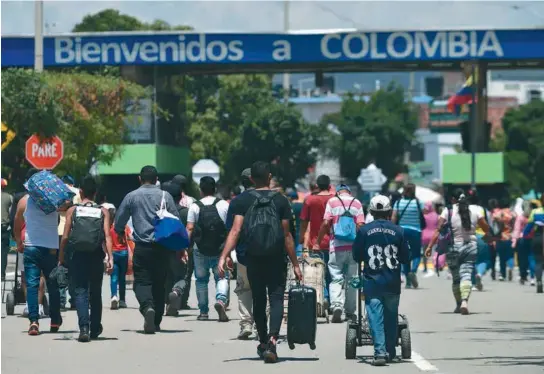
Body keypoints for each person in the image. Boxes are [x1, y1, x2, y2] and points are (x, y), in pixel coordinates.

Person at [218, 161, 302, 363]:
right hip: (276, 257)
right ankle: (273, 339)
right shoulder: (281, 201)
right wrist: (296, 264)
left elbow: (236, 230)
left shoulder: (241, 200)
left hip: (253, 257)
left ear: (251, 179)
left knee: (258, 299)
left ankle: (263, 341)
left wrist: (224, 255)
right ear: (270, 177)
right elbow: (287, 235)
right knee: (276, 298)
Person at [115, 165, 183, 334]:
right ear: (156, 179)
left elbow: (119, 221)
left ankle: (147, 308)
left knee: (142, 282)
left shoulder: (132, 196)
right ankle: (157, 320)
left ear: (140, 178)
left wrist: (119, 231)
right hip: (162, 247)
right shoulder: (165, 195)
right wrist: (180, 247)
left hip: (142, 247)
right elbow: (176, 220)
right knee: (159, 284)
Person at [352, 195, 410, 366]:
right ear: (389, 211)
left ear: (371, 211)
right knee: (391, 317)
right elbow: (406, 257)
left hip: (372, 281)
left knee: (375, 317)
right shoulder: (399, 231)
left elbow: (357, 255)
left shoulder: (364, 231)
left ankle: (380, 352)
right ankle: (390, 351)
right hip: (392, 282)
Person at [59, 176, 113, 342]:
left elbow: (66, 236)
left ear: (80, 192)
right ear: (95, 193)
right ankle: (95, 327)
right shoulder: (102, 211)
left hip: (77, 256)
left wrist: (61, 257)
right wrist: (110, 257)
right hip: (96, 255)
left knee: (80, 291)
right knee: (95, 292)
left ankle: (84, 328)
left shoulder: (73, 211)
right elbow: (107, 236)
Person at [425, 189, 492, 314]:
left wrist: (430, 247)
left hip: (453, 248)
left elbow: (438, 230)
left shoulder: (448, 211)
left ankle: (458, 304)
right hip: (471, 247)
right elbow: (486, 228)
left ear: (453, 199)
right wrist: (488, 237)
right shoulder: (476, 210)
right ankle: (465, 301)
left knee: (456, 278)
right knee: (466, 274)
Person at [13, 171, 63, 335]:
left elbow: (17, 223)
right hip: (50, 248)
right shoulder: (54, 201)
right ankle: (55, 320)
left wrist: (19, 242)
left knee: (32, 284)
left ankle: (34, 321)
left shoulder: (24, 201)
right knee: (53, 285)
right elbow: (56, 222)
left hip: (31, 247)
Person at [316, 184, 365, 323]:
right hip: (353, 247)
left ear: (337, 192)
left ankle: (336, 305)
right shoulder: (357, 202)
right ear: (349, 192)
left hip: (336, 246)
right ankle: (350, 312)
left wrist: (318, 241)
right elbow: (361, 225)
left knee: (336, 277)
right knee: (353, 279)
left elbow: (326, 223)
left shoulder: (332, 201)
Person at [186, 176, 230, 321]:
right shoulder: (224, 205)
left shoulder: (194, 206)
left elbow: (190, 228)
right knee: (221, 277)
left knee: (201, 280)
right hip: (220, 249)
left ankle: (203, 312)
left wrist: (185, 247)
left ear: (200, 189)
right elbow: (230, 229)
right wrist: (229, 251)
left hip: (200, 249)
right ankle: (221, 300)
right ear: (215, 189)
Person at [225, 168, 257, 339]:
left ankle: (246, 324)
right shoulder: (272, 198)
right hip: (268, 253)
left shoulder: (237, 201)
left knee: (244, 288)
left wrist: (227, 254)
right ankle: (262, 325)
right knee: (264, 289)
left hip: (244, 252)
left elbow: (232, 230)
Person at [300, 174, 333, 308]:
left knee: (319, 273)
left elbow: (304, 222)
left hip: (316, 243)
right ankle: (330, 300)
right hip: (333, 242)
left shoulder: (309, 200)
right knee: (332, 274)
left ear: (317, 186)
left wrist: (302, 238)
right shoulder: (334, 199)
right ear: (329, 185)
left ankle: (323, 297)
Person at [162, 180, 191, 316]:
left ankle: (168, 304)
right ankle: (176, 292)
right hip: (179, 249)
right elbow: (190, 230)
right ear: (181, 197)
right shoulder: (185, 212)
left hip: (162, 249)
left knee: (167, 277)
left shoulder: (160, 212)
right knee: (181, 276)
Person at [392, 183, 425, 289]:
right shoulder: (418, 202)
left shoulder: (398, 203)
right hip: (415, 231)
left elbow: (393, 218)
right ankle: (413, 271)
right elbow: (423, 214)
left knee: (404, 255)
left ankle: (408, 282)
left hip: (402, 231)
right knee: (416, 254)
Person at [58, 174, 81, 310]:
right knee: (74, 268)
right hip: (75, 233)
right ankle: (74, 299)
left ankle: (61, 299)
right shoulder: (78, 192)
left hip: (59, 233)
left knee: (61, 266)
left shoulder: (56, 191)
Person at [108, 207, 133, 310]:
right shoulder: (124, 227)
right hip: (124, 254)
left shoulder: (108, 228)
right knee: (122, 278)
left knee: (114, 277)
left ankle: (114, 296)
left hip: (113, 253)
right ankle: (122, 301)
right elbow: (131, 237)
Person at [522, 195, 544, 293]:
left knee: (538, 261)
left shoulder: (535, 212)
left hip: (538, 238)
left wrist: (525, 236)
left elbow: (529, 227)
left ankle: (539, 280)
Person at [491, 198, 516, 281]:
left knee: (501, 257)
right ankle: (510, 267)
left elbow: (493, 226)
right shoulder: (513, 214)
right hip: (510, 237)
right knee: (510, 255)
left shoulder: (498, 214)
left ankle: (502, 274)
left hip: (500, 237)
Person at [512, 201, 536, 286]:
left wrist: (514, 241)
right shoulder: (533, 217)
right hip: (532, 239)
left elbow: (517, 230)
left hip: (522, 240)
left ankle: (523, 276)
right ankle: (533, 277)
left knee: (522, 259)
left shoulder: (520, 217)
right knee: (532, 258)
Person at [421, 201, 439, 276]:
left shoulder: (424, 216)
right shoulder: (436, 215)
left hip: (424, 236)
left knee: (425, 252)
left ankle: (425, 267)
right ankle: (436, 266)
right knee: (435, 252)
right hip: (434, 236)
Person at [1, 178, 13, 281]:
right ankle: (1, 274)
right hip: (4, 227)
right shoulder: (9, 197)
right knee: (3, 252)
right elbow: (12, 212)